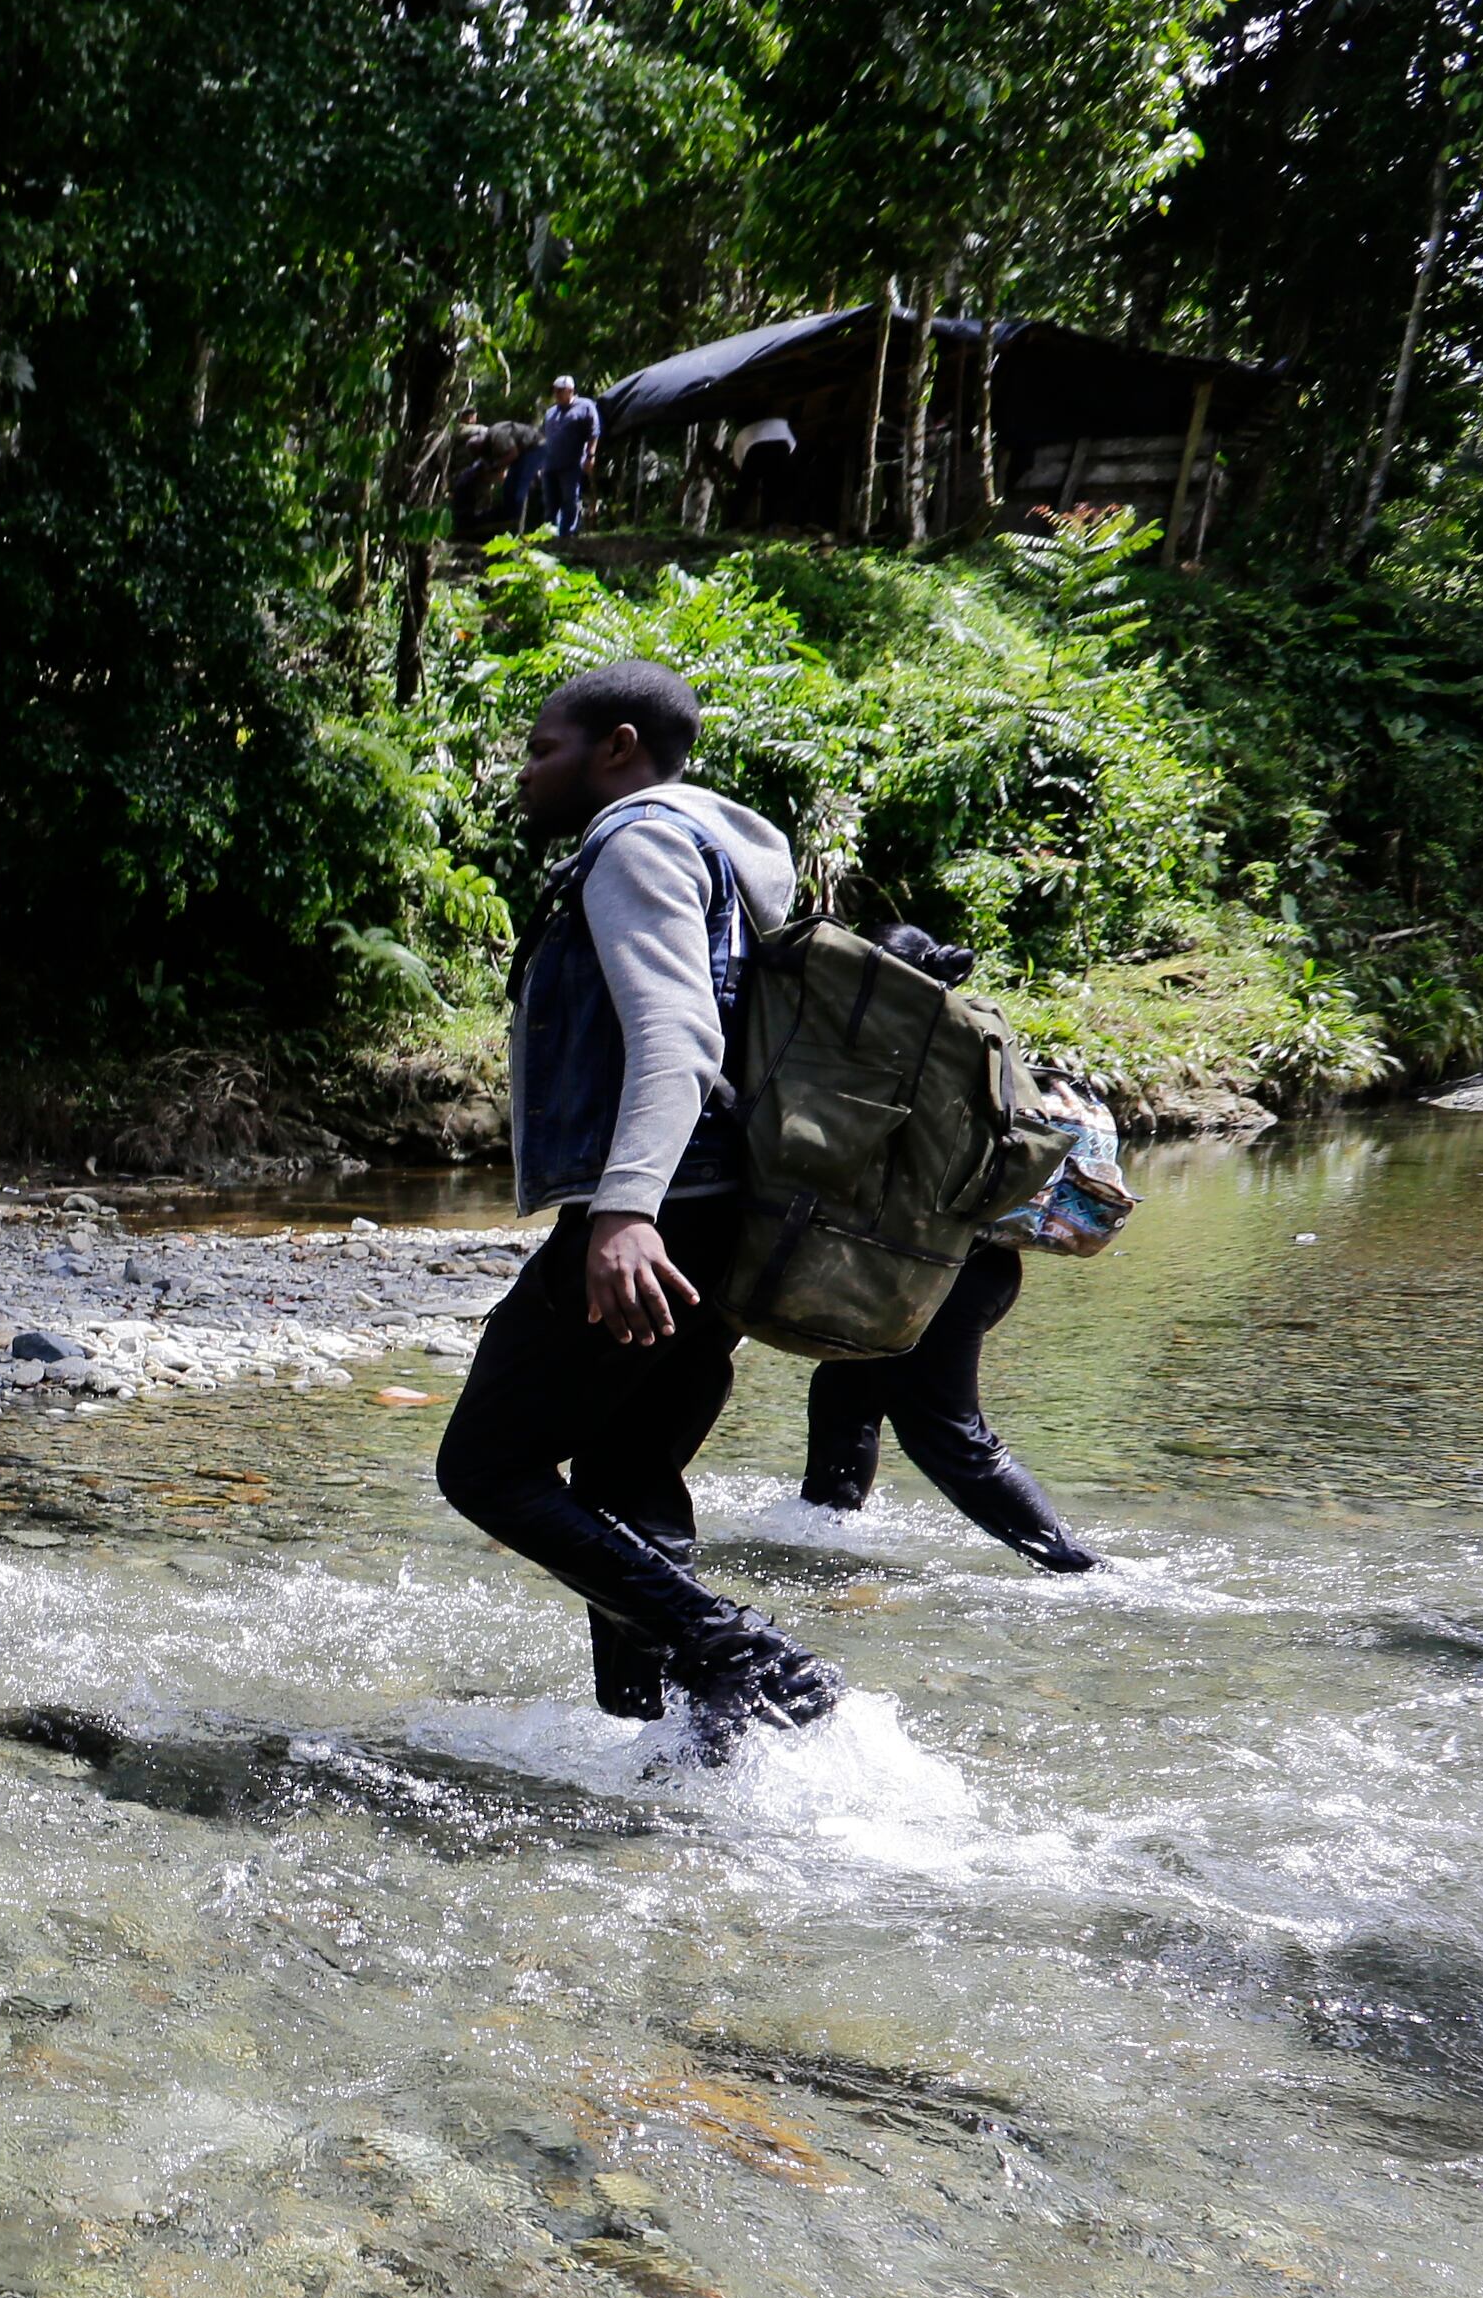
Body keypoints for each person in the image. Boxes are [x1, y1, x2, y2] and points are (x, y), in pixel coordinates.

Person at [435, 658, 842, 1753]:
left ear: (614, 746)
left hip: (660, 1208)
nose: (523, 773)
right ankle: (680, 1746)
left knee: (484, 1468)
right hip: (723, 1213)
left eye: (540, 748)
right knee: (623, 1475)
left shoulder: (637, 839)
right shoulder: (727, 851)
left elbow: (674, 1033)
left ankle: (737, 1653)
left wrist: (622, 1214)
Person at [802, 1239, 1097, 1572]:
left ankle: (1076, 1567)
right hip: (938, 1268)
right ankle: (821, 1529)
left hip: (939, 1275)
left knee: (945, 1437)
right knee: (845, 1392)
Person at [513, 376, 602, 536]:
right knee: (550, 503)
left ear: (570, 391)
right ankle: (550, 537)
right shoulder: (551, 412)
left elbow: (594, 432)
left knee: (570, 500)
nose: (557, 394)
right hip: (549, 464)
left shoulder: (585, 406)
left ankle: (568, 535)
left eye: (560, 391)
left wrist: (590, 455)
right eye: (555, 391)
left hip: (572, 463)